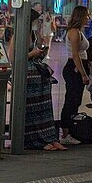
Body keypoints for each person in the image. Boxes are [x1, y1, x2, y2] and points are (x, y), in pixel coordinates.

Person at [10, 21, 66, 151]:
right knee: (32, 109)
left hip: (39, 76)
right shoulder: (17, 35)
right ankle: (35, 139)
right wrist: (32, 54)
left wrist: (41, 53)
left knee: (44, 108)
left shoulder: (33, 34)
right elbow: (13, 58)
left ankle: (49, 137)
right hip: (28, 77)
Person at [61, 6, 91, 145]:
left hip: (78, 66)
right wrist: (83, 73)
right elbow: (75, 55)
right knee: (71, 99)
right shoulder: (74, 32)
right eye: (87, 16)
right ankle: (66, 132)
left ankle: (71, 130)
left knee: (76, 99)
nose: (88, 18)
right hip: (74, 67)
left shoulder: (79, 31)